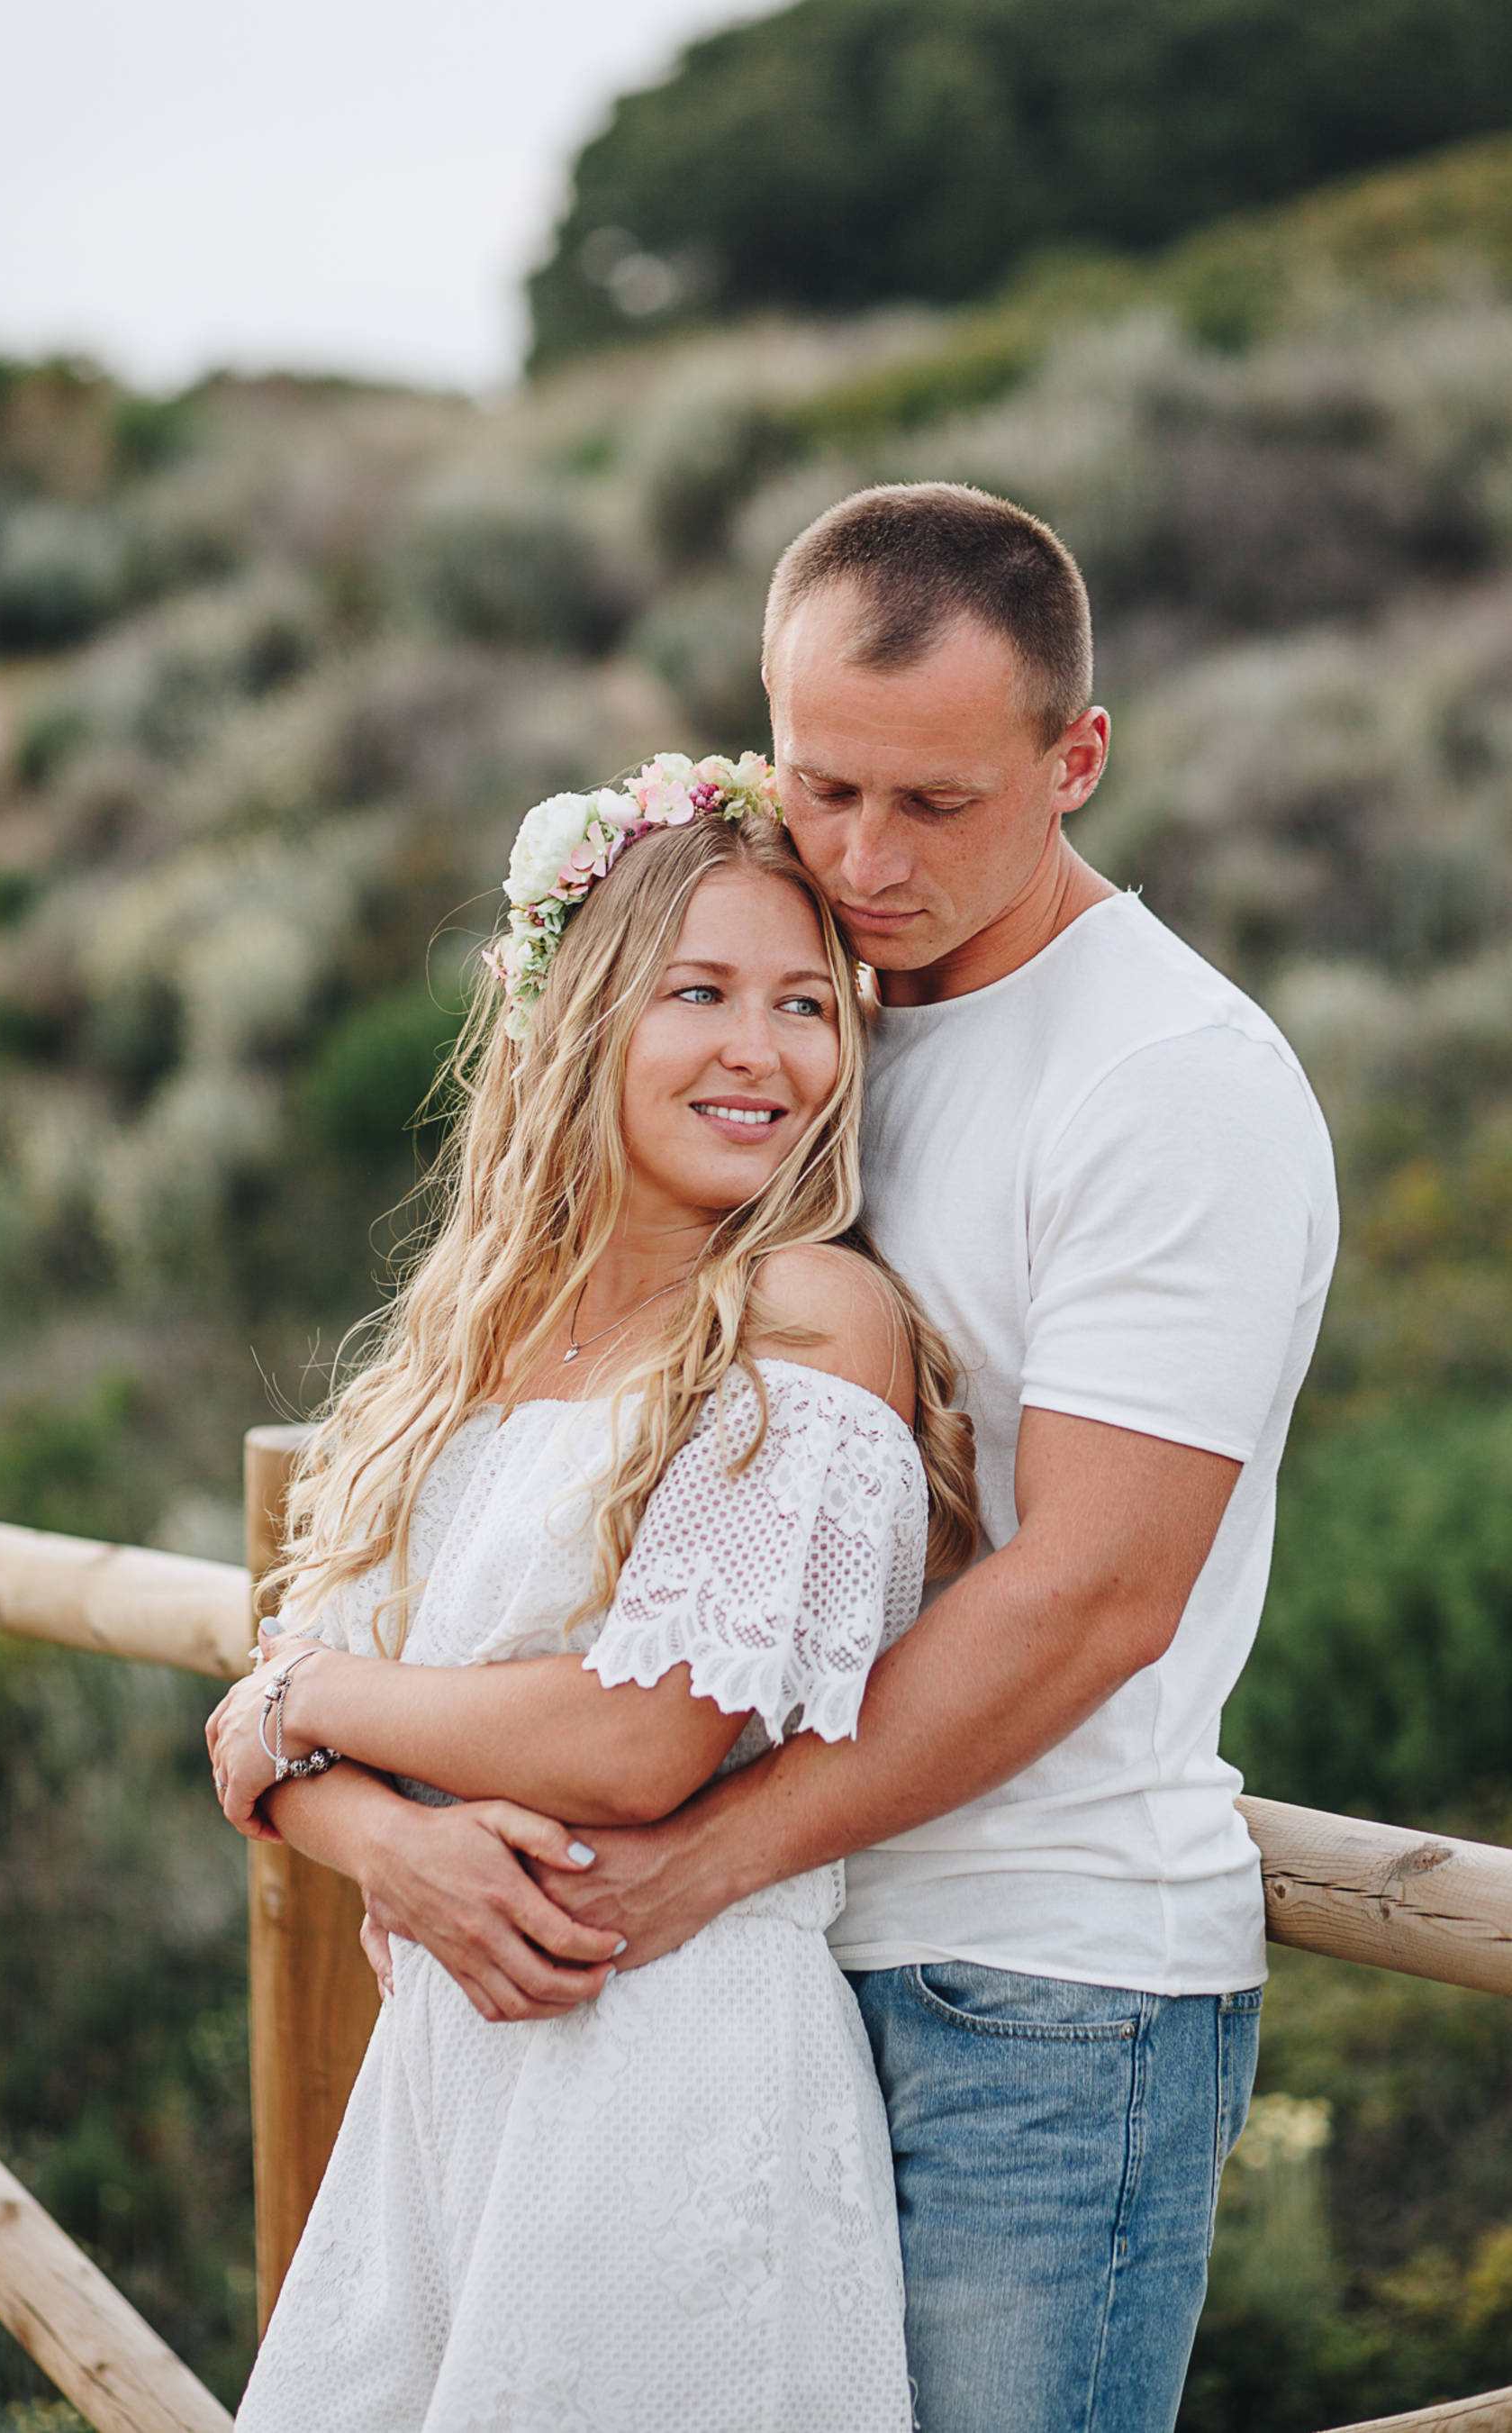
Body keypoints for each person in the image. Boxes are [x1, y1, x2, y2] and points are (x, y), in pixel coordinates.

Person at [271, 483, 1340, 2433]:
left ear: (1075, 756)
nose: (865, 857)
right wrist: (357, 1805)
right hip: (767, 1971)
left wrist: (681, 1868)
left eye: (938, 804)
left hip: (1038, 1992)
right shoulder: (826, 1010)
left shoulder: (1167, 1077)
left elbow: (1094, 1591)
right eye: (828, 787)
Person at [208, 753, 981, 2430]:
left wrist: (312, 1708)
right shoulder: (471, 1335)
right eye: (697, 991)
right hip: (449, 2076)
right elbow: (256, 1740)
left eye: (806, 1005)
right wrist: (388, 1839)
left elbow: (637, 1745)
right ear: (579, 1015)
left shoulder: (806, 1313)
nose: (760, 1053)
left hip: (674, 2082)